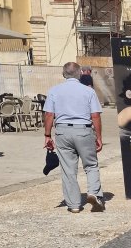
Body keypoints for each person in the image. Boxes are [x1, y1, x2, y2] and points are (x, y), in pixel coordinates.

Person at [43, 61, 105, 213]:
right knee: (91, 165)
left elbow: (49, 114)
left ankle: (74, 205)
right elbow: (95, 115)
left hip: (63, 131)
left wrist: (47, 135)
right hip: (83, 130)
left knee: (68, 169)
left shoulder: (54, 91)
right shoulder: (88, 91)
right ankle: (94, 193)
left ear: (63, 74)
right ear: (80, 74)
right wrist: (98, 137)